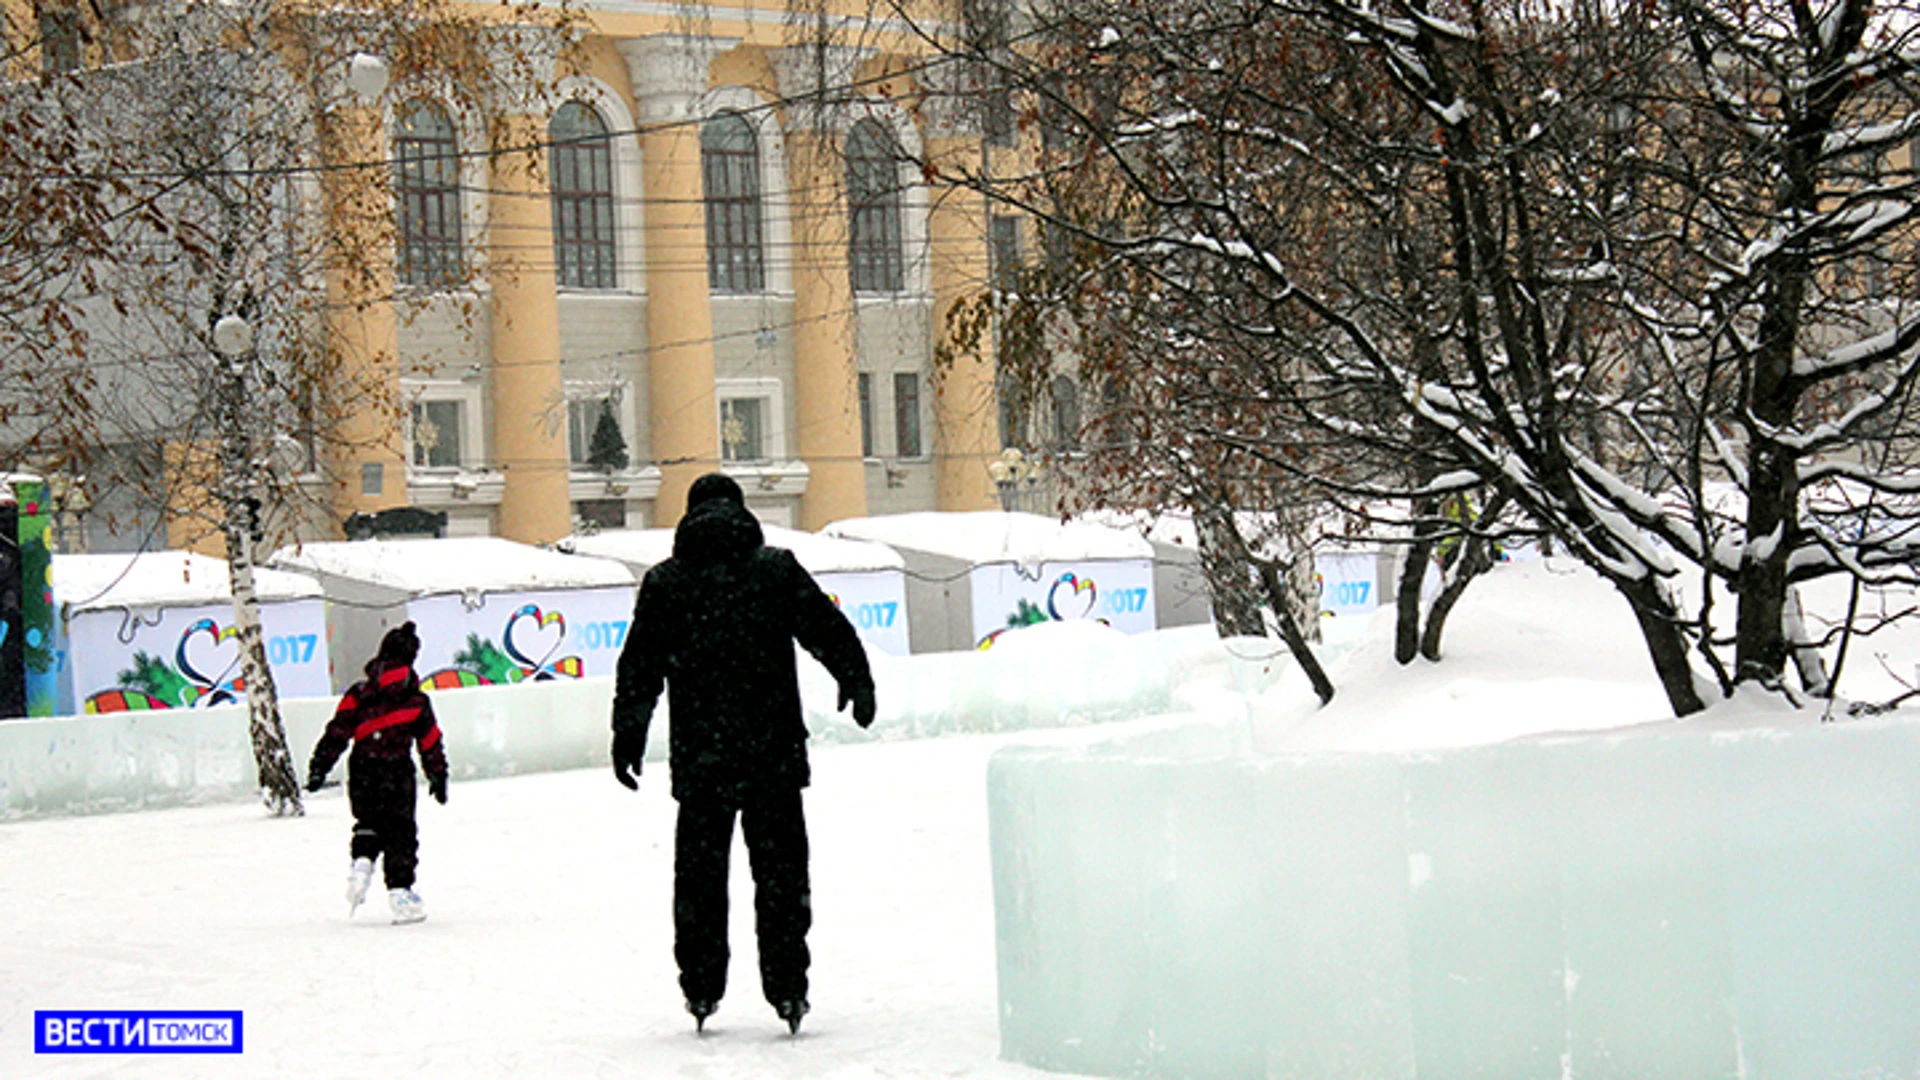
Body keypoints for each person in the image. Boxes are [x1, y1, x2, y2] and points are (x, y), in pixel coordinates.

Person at [611, 473, 876, 1034]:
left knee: (700, 879)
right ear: (740, 511)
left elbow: (639, 668)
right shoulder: (774, 569)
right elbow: (825, 627)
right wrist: (856, 677)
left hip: (701, 758)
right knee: (780, 875)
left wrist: (628, 732)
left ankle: (701, 987)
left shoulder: (668, 582)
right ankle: (788, 988)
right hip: (772, 753)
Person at [307, 620, 449, 925]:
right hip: (397, 771)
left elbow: (338, 731)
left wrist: (320, 764)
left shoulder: (359, 695)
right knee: (400, 832)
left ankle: (361, 862)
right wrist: (438, 775)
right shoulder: (416, 701)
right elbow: (430, 741)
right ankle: (400, 891)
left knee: (368, 821)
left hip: (363, 769)